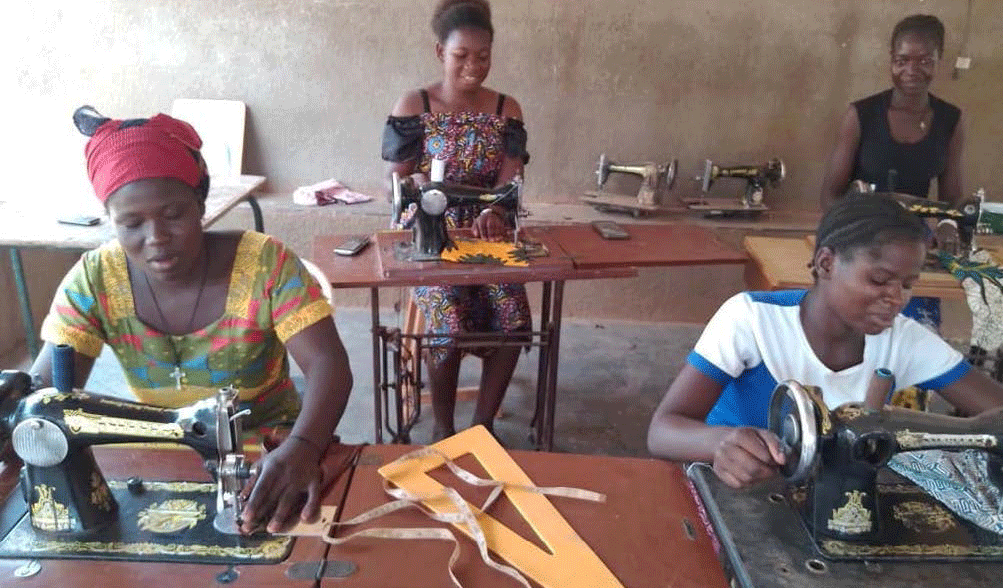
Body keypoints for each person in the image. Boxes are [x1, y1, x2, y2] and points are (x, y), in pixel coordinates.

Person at [31, 106, 354, 534]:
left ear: (200, 203)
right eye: (131, 223)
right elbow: (46, 391)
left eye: (173, 215)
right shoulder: (95, 279)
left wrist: (305, 446)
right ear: (110, 221)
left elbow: (330, 366)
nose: (156, 238)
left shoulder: (266, 264)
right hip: (157, 460)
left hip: (276, 455)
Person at [647, 194, 1003, 489]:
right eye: (880, 280)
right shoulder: (752, 320)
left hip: (826, 500)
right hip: (734, 494)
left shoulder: (903, 339)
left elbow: (995, 415)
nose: (896, 298)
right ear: (826, 263)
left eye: (908, 284)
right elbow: (662, 430)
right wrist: (718, 443)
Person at [381, 0, 531, 440]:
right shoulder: (415, 104)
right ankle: (444, 431)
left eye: (482, 56)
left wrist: (493, 210)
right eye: (461, 55)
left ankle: (481, 429)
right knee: (447, 318)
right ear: (439, 53)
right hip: (430, 229)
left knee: (514, 314)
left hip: (487, 230)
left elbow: (509, 180)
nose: (473, 66)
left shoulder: (507, 108)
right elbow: (398, 183)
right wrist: (424, 187)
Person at [820, 14, 963, 329]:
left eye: (924, 60)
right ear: (891, 61)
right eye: (903, 60)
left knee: (913, 336)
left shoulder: (950, 120)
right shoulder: (861, 115)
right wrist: (851, 241)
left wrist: (949, 225)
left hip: (914, 247)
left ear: (939, 61)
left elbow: (952, 199)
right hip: (862, 241)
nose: (912, 70)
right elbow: (831, 194)